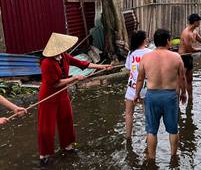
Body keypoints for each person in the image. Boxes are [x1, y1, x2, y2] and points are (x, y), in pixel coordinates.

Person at [38, 33, 112, 166]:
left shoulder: (64, 56)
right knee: (46, 126)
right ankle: (44, 154)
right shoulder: (46, 63)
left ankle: (67, 146)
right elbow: (55, 84)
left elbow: (82, 64)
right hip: (48, 96)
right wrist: (74, 78)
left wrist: (103, 66)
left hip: (62, 94)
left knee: (66, 119)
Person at [135, 29, 187, 160]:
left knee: (151, 131)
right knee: (173, 129)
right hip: (170, 96)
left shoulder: (146, 57)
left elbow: (140, 79)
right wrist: (184, 92)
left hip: (152, 96)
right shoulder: (176, 57)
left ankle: (152, 158)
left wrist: (136, 94)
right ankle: (173, 157)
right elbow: (182, 78)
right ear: (168, 41)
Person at [178, 14, 201, 99]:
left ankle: (190, 99)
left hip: (189, 57)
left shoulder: (194, 31)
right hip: (183, 58)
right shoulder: (186, 33)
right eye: (199, 21)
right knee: (180, 80)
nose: (200, 22)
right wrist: (199, 49)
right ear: (195, 22)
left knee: (189, 80)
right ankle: (178, 99)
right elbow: (189, 48)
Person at [124, 31, 152, 139]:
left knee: (129, 113)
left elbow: (128, 68)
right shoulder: (151, 52)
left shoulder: (131, 53)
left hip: (132, 87)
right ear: (144, 40)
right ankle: (149, 137)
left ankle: (128, 137)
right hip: (147, 87)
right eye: (146, 38)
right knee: (147, 114)